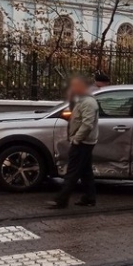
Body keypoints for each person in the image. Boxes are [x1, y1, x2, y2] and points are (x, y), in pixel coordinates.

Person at [49, 75, 99, 209]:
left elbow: (87, 124)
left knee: (72, 171)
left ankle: (61, 200)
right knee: (85, 171)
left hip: (83, 143)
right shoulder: (82, 101)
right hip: (84, 142)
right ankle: (89, 198)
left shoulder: (88, 102)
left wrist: (77, 139)